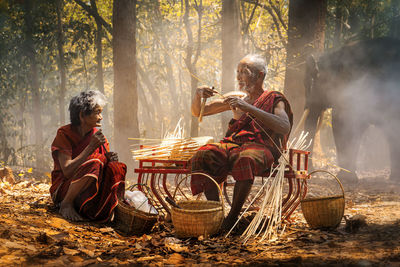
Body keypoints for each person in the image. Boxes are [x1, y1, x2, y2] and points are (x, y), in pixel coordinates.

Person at [190, 54, 293, 231]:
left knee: (245, 159)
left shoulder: (274, 99)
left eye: (244, 72)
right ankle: (217, 213)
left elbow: (284, 126)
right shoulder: (237, 97)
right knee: (205, 154)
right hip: (234, 143)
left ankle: (231, 218)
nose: (238, 77)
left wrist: (248, 108)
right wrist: (198, 94)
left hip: (262, 147)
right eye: (237, 72)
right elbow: (198, 112)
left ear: (260, 75)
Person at [50, 90, 126, 222]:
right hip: (64, 189)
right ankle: (66, 203)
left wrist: (110, 160)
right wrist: (90, 147)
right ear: (81, 115)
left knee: (116, 167)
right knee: (97, 159)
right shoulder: (65, 134)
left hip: (89, 191)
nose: (101, 117)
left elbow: (102, 168)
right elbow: (67, 171)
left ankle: (103, 211)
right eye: (97, 112)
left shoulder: (98, 135)